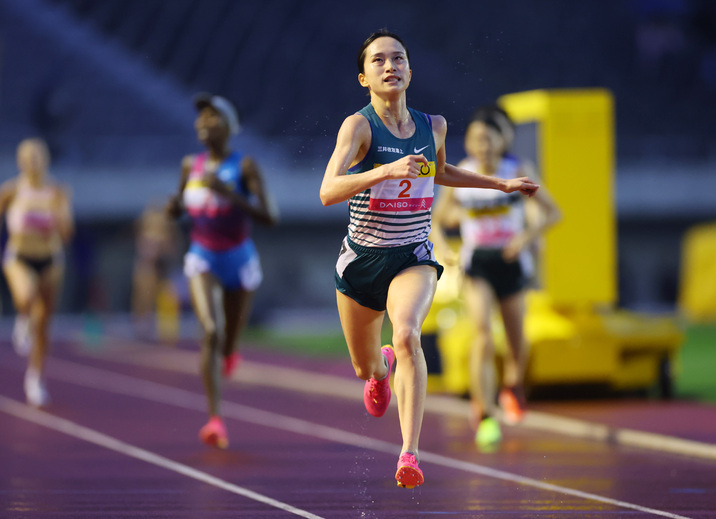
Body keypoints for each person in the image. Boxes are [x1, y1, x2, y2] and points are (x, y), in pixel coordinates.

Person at [319, 30, 539, 488]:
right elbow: (327, 191)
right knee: (366, 368)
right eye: (378, 61)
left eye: (398, 58)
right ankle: (378, 374)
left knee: (407, 334)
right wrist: (384, 170)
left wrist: (499, 185)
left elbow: (440, 172)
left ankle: (409, 454)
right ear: (365, 77)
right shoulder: (357, 127)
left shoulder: (432, 125)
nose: (390, 65)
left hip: (411, 256)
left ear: (410, 70)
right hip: (361, 261)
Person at [430, 105, 561, 448]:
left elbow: (552, 212)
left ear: (502, 141)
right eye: (477, 139)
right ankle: (484, 411)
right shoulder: (461, 175)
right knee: (484, 335)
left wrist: (525, 239)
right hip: (479, 264)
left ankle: (513, 386)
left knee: (517, 343)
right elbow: (435, 219)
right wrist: (443, 245)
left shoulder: (517, 170)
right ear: (469, 143)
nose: (483, 146)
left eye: (490, 139)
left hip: (512, 261)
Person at [167, 93, 278, 449]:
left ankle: (231, 352)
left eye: (212, 118)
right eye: (200, 118)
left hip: (240, 259)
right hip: (203, 256)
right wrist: (172, 207)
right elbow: (178, 207)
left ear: (228, 126)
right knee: (210, 331)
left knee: (228, 341)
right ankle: (215, 419)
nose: (202, 124)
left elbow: (270, 216)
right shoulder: (190, 165)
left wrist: (230, 195)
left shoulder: (244, 166)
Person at [0, 138, 74, 407]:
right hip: (19, 256)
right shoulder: (10, 190)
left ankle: (35, 378)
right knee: (26, 296)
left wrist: (57, 217)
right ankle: (22, 318)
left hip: (50, 259)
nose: (32, 161)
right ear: (20, 161)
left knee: (44, 324)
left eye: (37, 156)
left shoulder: (57, 191)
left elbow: (67, 233)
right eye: (27, 157)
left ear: (45, 160)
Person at [131, 201, 179, 341]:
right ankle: (142, 326)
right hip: (147, 267)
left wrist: (164, 249)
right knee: (143, 296)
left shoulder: (166, 231)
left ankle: (166, 328)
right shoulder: (145, 232)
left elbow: (172, 245)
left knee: (167, 296)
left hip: (163, 267)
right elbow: (142, 246)